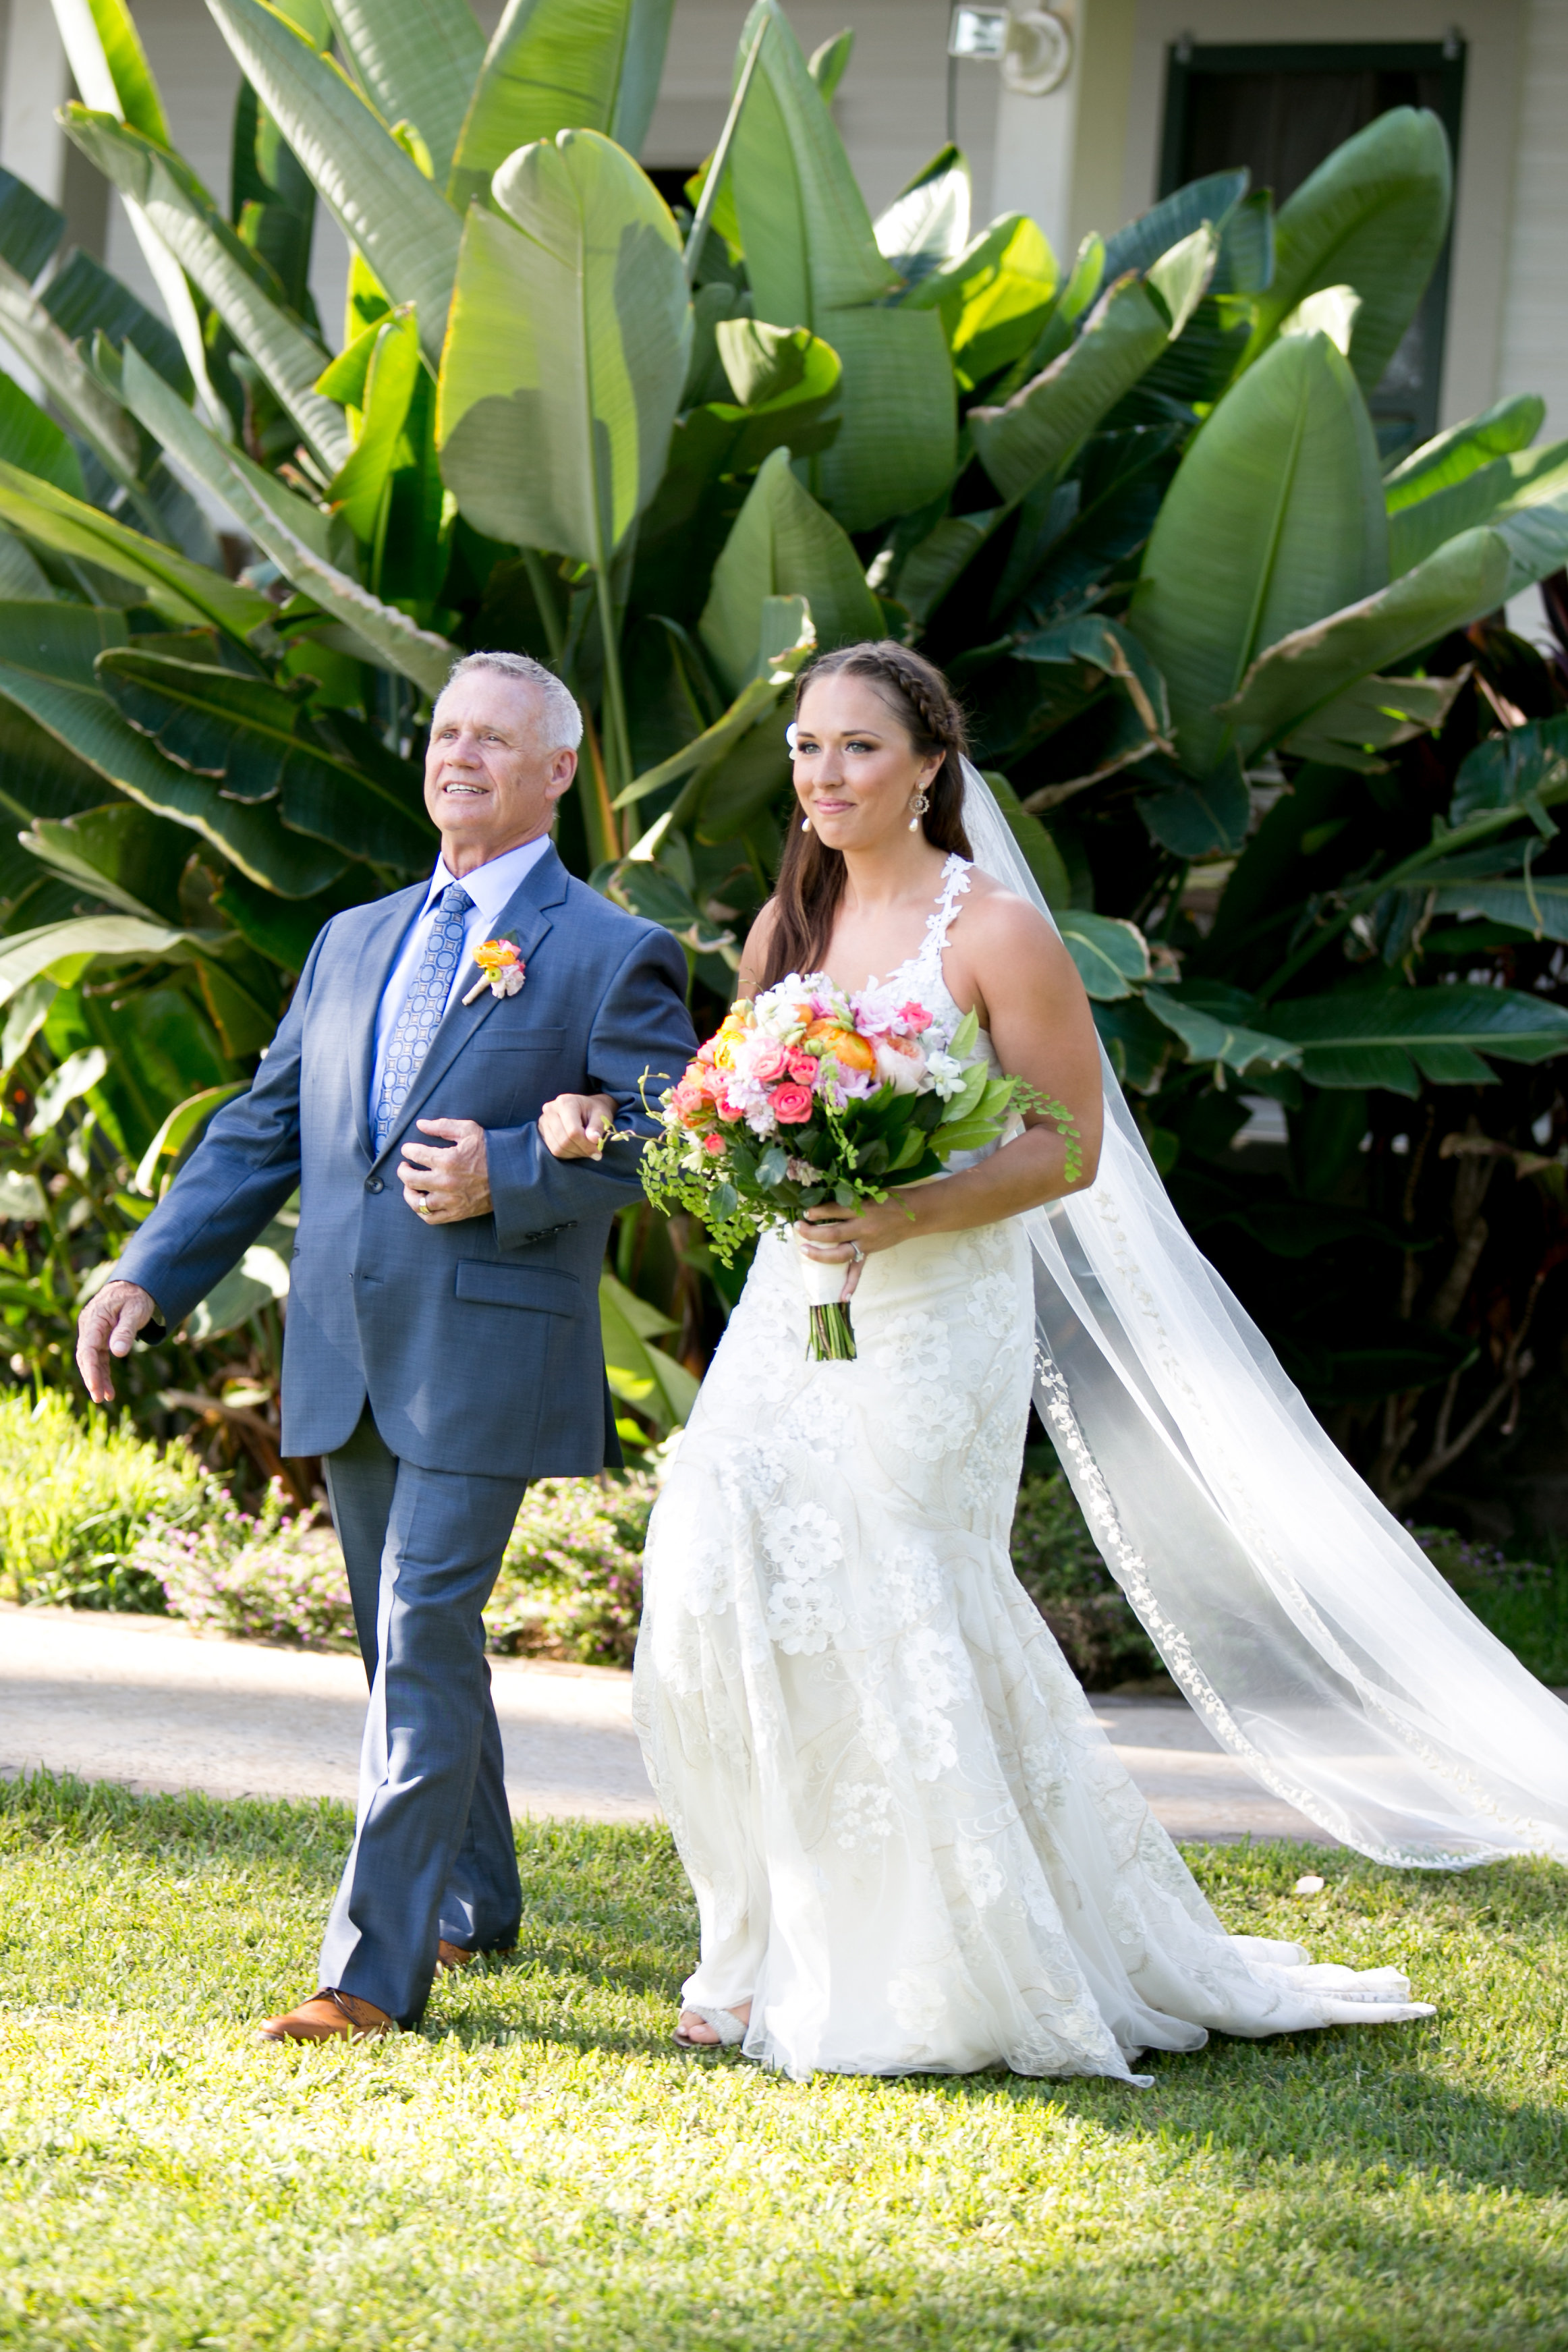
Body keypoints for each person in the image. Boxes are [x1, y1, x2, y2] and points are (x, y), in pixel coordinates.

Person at [622, 640, 1457, 2082]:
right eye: (809, 748)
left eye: (859, 749)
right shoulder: (784, 927)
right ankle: (762, 1945)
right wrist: (756, 1178)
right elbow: (737, 1109)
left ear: (931, 765)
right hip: (796, 1301)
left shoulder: (993, 929)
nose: (824, 775)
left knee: (894, 1582)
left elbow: (1067, 1144)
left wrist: (905, 1208)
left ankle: (945, 1957)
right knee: (722, 1572)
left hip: (937, 1309)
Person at [76, 650, 696, 2044]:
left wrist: (516, 1181)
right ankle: (472, 1898)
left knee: (419, 1629)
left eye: (497, 739)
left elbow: (676, 1141)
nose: (460, 755)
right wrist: (149, 1271)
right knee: (399, 1638)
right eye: (447, 732)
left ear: (556, 774)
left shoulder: (607, 948)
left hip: (488, 1348)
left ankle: (369, 1972)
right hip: (348, 1346)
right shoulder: (353, 936)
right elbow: (263, 1125)